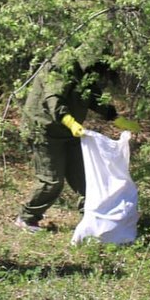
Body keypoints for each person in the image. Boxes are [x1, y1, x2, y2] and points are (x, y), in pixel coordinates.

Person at [14, 52, 120, 232]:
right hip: (44, 129)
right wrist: (70, 122)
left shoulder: (87, 71)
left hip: (69, 131)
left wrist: (112, 115)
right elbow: (53, 99)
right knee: (52, 180)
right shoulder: (61, 65)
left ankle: (91, 217)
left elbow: (91, 95)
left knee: (85, 178)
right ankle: (26, 218)